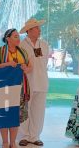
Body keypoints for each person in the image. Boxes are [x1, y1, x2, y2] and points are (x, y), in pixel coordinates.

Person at [0, 28, 32, 148]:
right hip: (3, 87)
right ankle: (5, 141)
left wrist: (25, 68)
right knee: (4, 114)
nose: (18, 38)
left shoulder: (23, 52)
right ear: (7, 39)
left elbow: (30, 67)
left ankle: (13, 142)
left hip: (19, 87)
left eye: (18, 36)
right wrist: (7, 64)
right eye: (15, 36)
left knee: (15, 115)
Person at [18, 18, 49, 147]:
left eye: (39, 27)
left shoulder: (44, 44)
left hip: (41, 82)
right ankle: (25, 136)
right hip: (27, 83)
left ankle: (35, 136)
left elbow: (44, 62)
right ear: (29, 31)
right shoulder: (22, 45)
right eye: (36, 28)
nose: (39, 30)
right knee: (25, 109)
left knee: (39, 110)